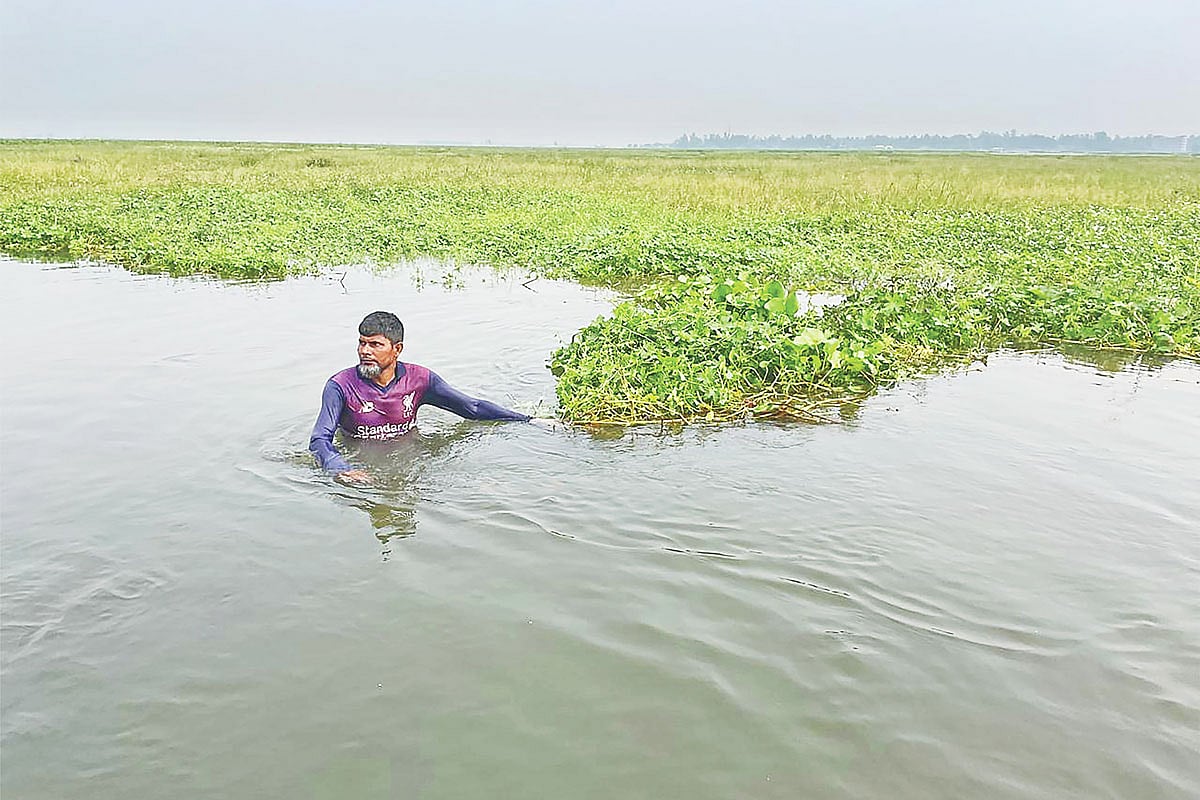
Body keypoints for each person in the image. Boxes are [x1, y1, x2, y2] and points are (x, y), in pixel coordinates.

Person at [310, 311, 531, 482]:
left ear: (397, 349)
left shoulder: (420, 379)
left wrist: (528, 421)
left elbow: (471, 408)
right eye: (362, 343)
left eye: (375, 344)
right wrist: (340, 468)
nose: (364, 351)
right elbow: (320, 439)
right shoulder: (340, 386)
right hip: (362, 468)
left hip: (411, 464)